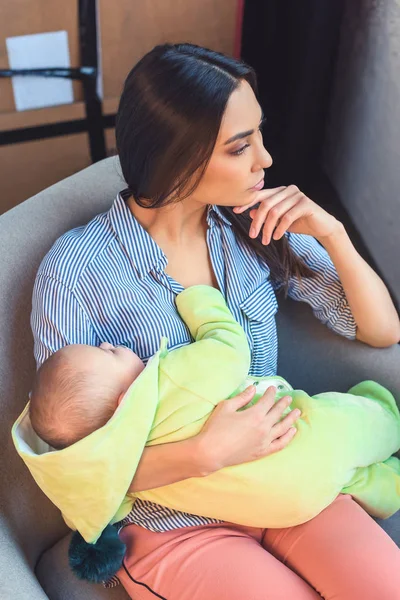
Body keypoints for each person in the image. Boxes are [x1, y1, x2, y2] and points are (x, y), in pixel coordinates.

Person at [30, 43, 400, 599]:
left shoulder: (253, 228)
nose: (266, 160)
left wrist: (334, 235)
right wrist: (204, 453)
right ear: (178, 156)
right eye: (240, 147)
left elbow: (381, 331)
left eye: (259, 135)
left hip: (287, 482)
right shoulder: (76, 272)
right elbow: (72, 471)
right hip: (173, 522)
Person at [21, 283, 400, 543]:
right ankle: (386, 417)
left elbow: (99, 509)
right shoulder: (169, 379)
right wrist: (200, 302)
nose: (107, 343)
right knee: (353, 423)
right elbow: (229, 349)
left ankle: (388, 486)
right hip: (300, 442)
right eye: (107, 353)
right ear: (123, 400)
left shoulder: (112, 464)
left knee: (347, 479)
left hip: (281, 507)